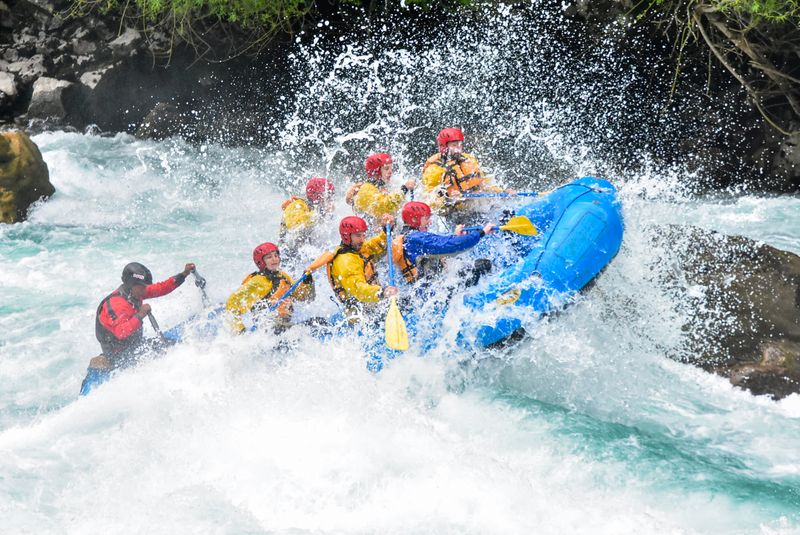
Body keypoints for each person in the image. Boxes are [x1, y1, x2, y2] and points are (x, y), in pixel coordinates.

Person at [80, 261, 195, 395]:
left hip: (133, 348)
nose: (145, 289)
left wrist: (184, 274)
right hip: (118, 357)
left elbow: (161, 288)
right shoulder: (116, 304)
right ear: (131, 285)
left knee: (173, 347)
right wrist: (140, 314)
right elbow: (121, 332)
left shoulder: (135, 293)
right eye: (142, 286)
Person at [391, 201, 495, 288]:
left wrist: (456, 236)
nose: (430, 222)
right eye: (426, 218)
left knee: (467, 269)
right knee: (483, 265)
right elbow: (451, 246)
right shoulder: (415, 238)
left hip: (429, 288)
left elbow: (440, 248)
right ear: (414, 220)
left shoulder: (408, 237)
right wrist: (482, 232)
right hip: (432, 293)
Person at [421, 128, 510, 222]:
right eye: (454, 145)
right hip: (454, 213)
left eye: (460, 145)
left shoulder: (469, 159)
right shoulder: (434, 170)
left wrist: (503, 191)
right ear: (444, 146)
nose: (458, 148)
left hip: (477, 207)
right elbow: (429, 201)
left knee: (506, 214)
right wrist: (448, 198)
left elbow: (485, 183)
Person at [225, 242, 315, 334]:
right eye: (269, 257)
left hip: (284, 325)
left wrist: (307, 282)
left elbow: (305, 297)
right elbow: (232, 305)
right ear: (261, 262)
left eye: (276, 256)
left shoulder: (283, 276)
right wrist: (240, 331)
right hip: (268, 330)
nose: (274, 259)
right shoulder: (258, 282)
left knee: (317, 322)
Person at [327, 214, 399, 323]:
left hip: (372, 302)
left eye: (363, 235)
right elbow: (359, 290)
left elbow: (380, 244)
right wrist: (382, 291)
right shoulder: (345, 262)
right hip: (360, 314)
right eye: (358, 236)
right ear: (347, 236)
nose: (362, 239)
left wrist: (387, 229)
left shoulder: (358, 248)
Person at [346, 153, 415, 226]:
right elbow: (384, 208)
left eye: (391, 168)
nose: (390, 171)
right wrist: (404, 189)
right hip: (370, 234)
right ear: (376, 172)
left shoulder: (383, 187)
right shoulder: (366, 190)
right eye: (386, 168)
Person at [280, 177, 336, 246]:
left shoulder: (317, 209)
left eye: (331, 197)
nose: (331, 201)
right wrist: (318, 214)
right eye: (328, 197)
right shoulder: (296, 206)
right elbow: (296, 227)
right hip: (289, 249)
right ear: (317, 197)